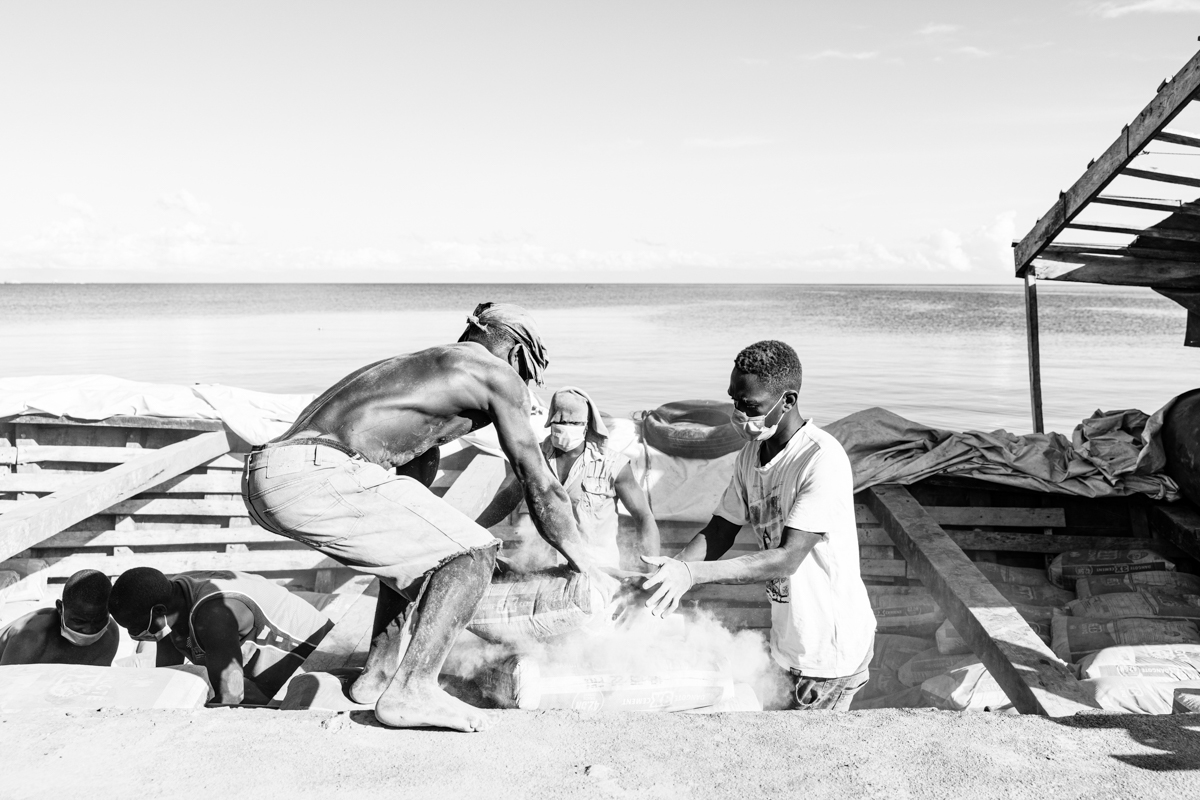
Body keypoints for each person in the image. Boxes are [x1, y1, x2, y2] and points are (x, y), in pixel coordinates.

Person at [241, 302, 603, 731]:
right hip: (316, 473)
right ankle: (414, 690)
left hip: (268, 475)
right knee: (475, 551)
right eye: (527, 373)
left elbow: (412, 488)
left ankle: (377, 678)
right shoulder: (497, 373)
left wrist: (451, 564)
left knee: (424, 555)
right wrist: (585, 559)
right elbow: (538, 480)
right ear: (518, 353)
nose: (524, 386)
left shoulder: (423, 373)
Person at [639, 340, 876, 711]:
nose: (739, 413)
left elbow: (786, 560)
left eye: (750, 406)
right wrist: (669, 574)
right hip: (789, 640)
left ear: (787, 401)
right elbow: (720, 530)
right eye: (735, 400)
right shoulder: (750, 454)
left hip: (829, 653)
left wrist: (692, 575)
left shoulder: (821, 459)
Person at [479, 386, 659, 570]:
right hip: (544, 565)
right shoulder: (535, 458)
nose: (566, 427)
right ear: (550, 421)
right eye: (560, 421)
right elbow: (508, 498)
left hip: (597, 568)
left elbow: (643, 516)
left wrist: (651, 569)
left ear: (587, 425)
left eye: (574, 423)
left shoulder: (613, 465)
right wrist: (475, 528)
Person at [107, 567, 334, 706]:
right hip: (305, 643)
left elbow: (232, 696)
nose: (134, 636)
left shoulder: (212, 616)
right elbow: (167, 667)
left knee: (226, 700)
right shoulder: (176, 592)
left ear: (158, 611)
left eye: (136, 628)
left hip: (320, 656)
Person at [0, 569, 120, 666]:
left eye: (99, 621)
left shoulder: (110, 635)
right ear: (60, 608)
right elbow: (8, 688)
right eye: (78, 621)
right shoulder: (30, 637)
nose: (89, 630)